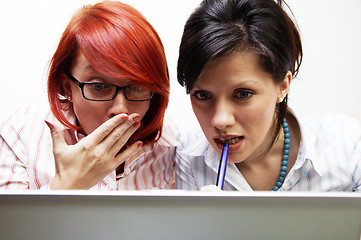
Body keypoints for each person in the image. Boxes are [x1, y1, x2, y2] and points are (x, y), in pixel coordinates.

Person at [175, 0, 361, 191]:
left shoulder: (349, 148)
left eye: (243, 94)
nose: (221, 121)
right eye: (203, 95)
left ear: (282, 86)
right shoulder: (187, 159)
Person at [0, 1, 179, 190]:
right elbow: (9, 220)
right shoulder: (24, 132)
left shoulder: (169, 144)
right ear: (66, 87)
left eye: (137, 87)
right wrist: (67, 187)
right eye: (99, 86)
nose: (120, 109)